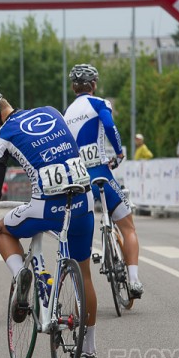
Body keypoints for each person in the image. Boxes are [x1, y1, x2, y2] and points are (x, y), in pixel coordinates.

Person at [0, 82, 98, 358]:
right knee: (84, 274)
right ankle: (88, 348)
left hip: (47, 206)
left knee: (2, 229)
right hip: (83, 202)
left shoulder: (2, 136)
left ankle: (21, 275)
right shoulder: (51, 111)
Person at [63, 64, 144, 301]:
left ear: (73, 88)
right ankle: (134, 280)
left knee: (79, 235)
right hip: (100, 172)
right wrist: (118, 153)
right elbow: (109, 126)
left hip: (79, 179)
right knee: (128, 227)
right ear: (94, 85)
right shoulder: (99, 103)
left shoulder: (66, 114)